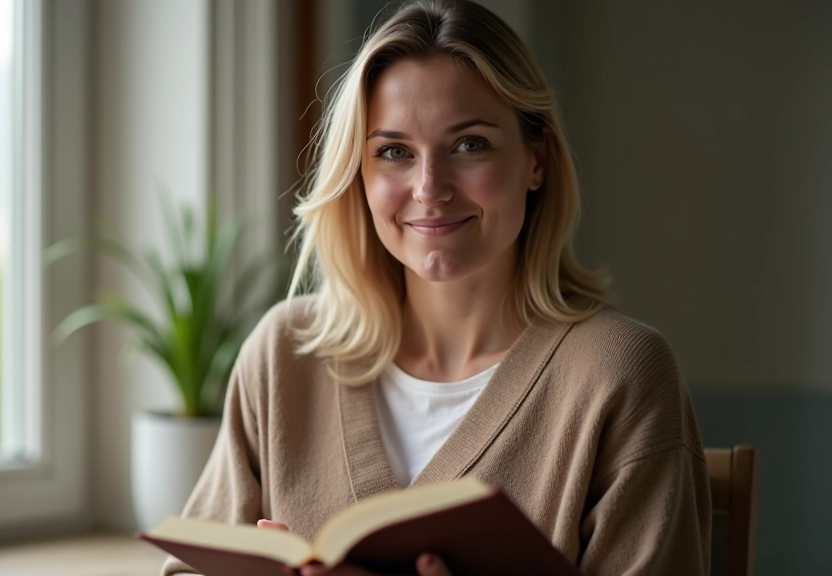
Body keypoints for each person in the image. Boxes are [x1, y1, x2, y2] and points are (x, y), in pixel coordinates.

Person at [162, 1, 711, 574]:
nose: (430, 188)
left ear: (536, 161)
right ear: (360, 173)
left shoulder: (620, 374)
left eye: (469, 144)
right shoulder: (283, 354)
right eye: (394, 152)